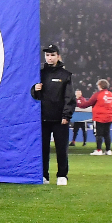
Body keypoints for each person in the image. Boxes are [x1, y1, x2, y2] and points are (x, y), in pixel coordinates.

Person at [32, 44, 75, 184]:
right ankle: (44, 175)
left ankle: (62, 175)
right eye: (47, 55)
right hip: (42, 118)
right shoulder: (39, 74)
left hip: (59, 119)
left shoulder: (66, 75)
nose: (49, 58)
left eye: (52, 55)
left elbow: (69, 98)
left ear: (58, 56)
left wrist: (66, 115)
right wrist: (34, 89)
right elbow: (33, 97)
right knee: (43, 150)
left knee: (61, 149)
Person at [78, 79, 112, 155]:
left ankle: (99, 150)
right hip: (109, 116)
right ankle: (108, 150)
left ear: (100, 86)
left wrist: (79, 101)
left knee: (99, 134)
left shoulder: (97, 94)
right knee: (107, 134)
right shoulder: (110, 94)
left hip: (100, 116)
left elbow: (87, 104)